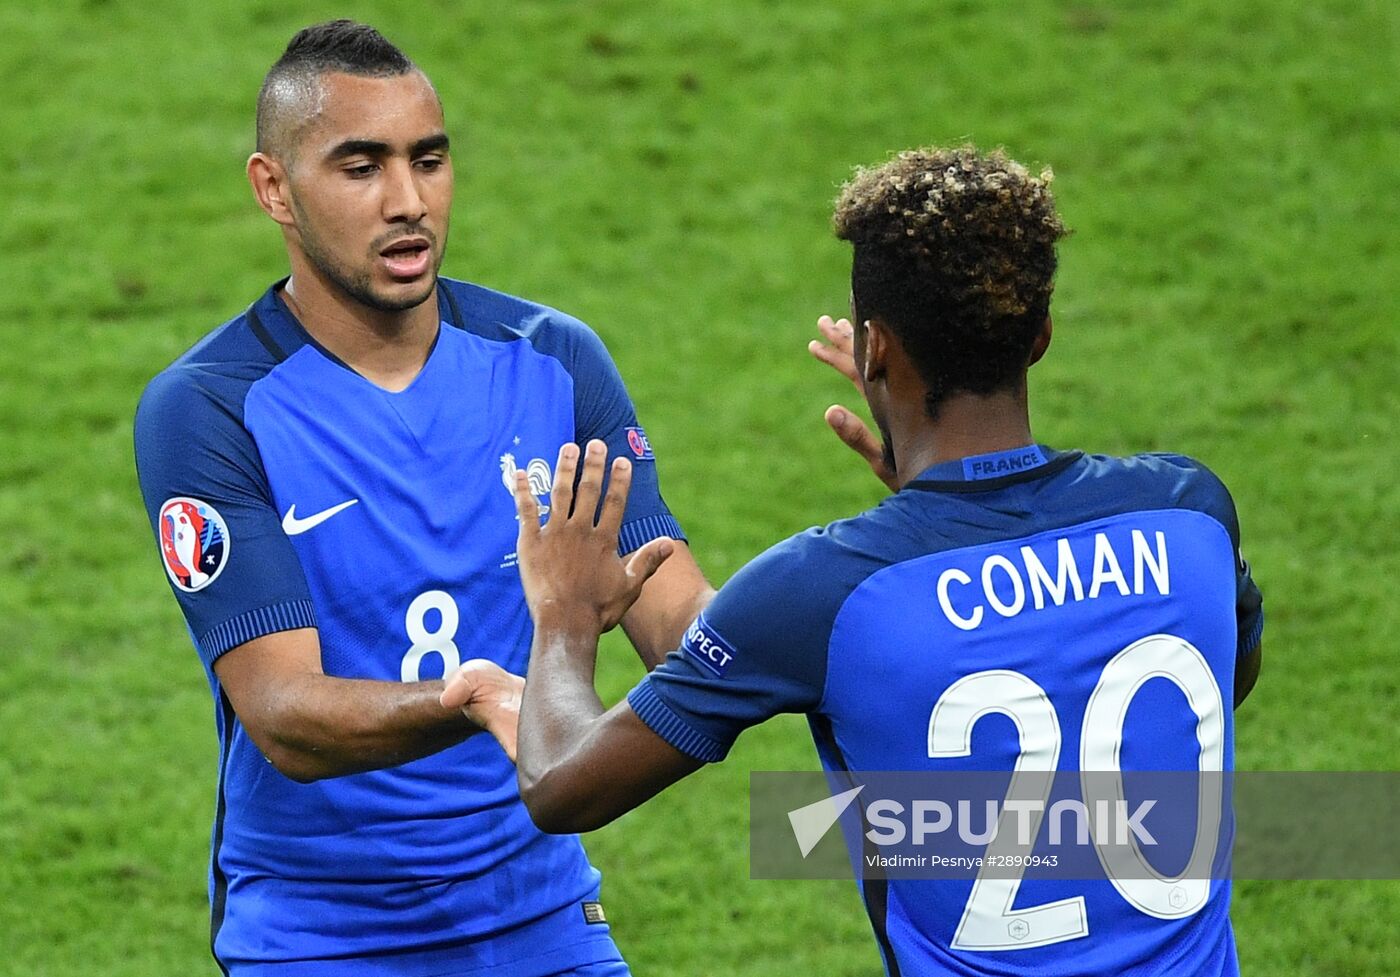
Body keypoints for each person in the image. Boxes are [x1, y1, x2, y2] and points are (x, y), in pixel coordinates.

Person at [475, 145, 1265, 977]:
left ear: (873, 348)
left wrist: (564, 614)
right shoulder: (1189, 512)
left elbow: (563, 783)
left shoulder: (829, 590)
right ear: (1039, 336)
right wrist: (945, 519)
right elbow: (1218, 684)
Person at [133, 20, 711, 977]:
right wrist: (474, 698)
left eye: (428, 160)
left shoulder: (554, 360)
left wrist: (886, 542)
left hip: (545, 917)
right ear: (274, 188)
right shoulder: (210, 408)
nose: (409, 201)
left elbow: (678, 619)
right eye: (360, 168)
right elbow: (284, 714)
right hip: (321, 939)